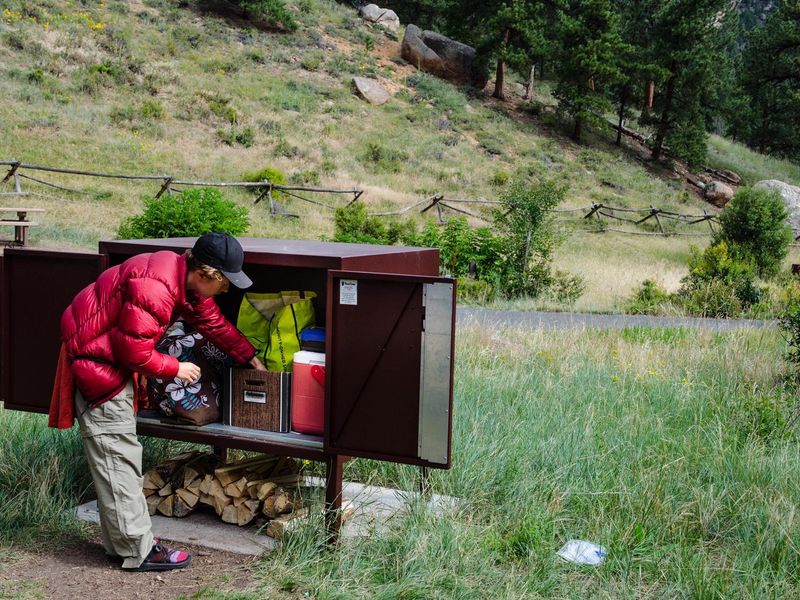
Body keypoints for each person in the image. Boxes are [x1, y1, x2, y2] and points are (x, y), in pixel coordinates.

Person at [49, 232, 266, 572]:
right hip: (97, 363)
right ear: (207, 274)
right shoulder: (158, 287)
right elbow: (132, 351)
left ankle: (121, 545)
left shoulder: (178, 276)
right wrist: (177, 367)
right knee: (118, 455)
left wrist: (249, 357)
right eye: (225, 282)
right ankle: (140, 550)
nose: (227, 290)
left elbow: (212, 322)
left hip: (104, 355)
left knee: (114, 457)